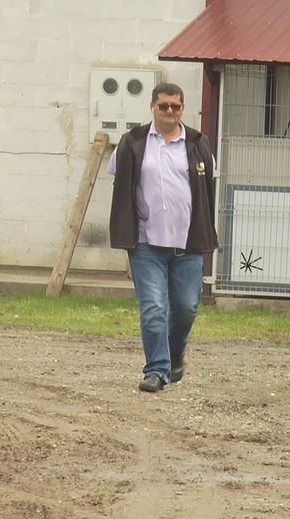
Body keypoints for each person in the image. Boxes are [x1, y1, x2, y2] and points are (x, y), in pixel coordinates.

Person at [108, 82, 218, 393]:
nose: (170, 111)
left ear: (183, 109)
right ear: (152, 107)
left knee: (186, 307)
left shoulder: (198, 144)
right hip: (145, 243)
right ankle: (156, 370)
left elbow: (206, 186)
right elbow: (120, 181)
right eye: (163, 106)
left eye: (176, 106)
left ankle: (173, 354)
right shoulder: (133, 142)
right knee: (154, 307)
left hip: (188, 243)